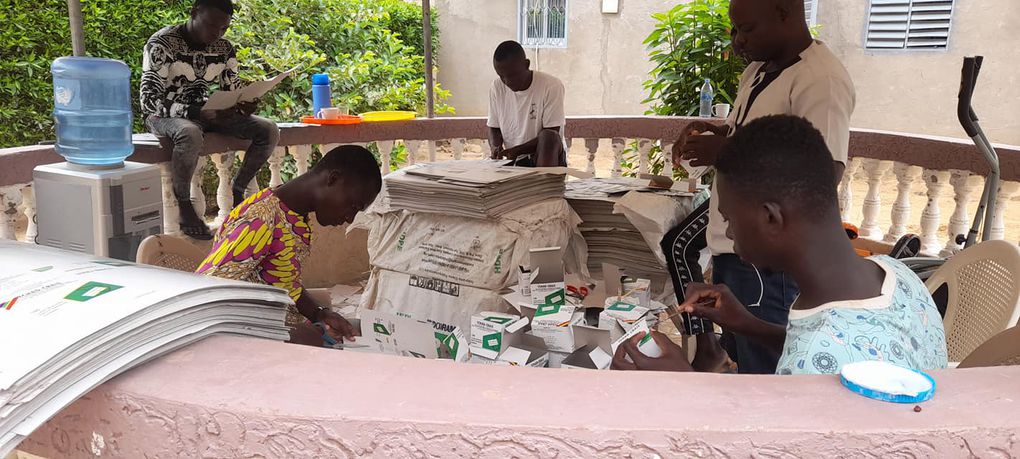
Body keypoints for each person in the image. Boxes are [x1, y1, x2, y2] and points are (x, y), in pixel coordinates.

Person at [615, 115, 948, 375]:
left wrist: (681, 383)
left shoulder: (812, 364)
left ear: (771, 218)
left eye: (729, 219)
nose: (729, 235)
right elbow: (822, 342)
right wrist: (749, 324)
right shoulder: (896, 274)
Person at [663, 0, 856, 374]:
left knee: (765, 367)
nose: (737, 41)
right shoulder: (758, 70)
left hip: (769, 256)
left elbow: (823, 174)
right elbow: (752, 132)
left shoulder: (821, 81)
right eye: (734, 30)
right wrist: (716, 133)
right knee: (744, 344)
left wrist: (727, 150)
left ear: (785, 13)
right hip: (737, 240)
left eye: (747, 29)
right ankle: (716, 352)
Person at [196, 145, 382, 346]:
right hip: (256, 348)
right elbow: (205, 295)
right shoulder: (260, 220)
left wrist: (319, 313)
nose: (350, 218)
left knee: (365, 333)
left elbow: (281, 282)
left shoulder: (293, 214)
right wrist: (287, 335)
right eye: (353, 206)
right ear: (333, 179)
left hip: (291, 336)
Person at [141, 0, 279, 240]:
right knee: (190, 132)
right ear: (194, 13)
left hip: (208, 112)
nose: (216, 33)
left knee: (268, 129)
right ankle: (184, 206)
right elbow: (149, 101)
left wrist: (244, 103)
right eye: (211, 25)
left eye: (223, 29)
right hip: (165, 115)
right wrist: (196, 113)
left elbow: (232, 89)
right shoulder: (161, 43)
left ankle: (238, 189)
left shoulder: (224, 48)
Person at [487, 40, 568, 167]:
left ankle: (543, 184)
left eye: (513, 75)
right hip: (513, 160)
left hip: (545, 159)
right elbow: (494, 127)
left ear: (526, 64)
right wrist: (495, 147)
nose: (507, 82)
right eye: (501, 76)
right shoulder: (496, 87)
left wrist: (517, 151)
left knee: (548, 137)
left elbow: (552, 133)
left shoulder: (551, 86)